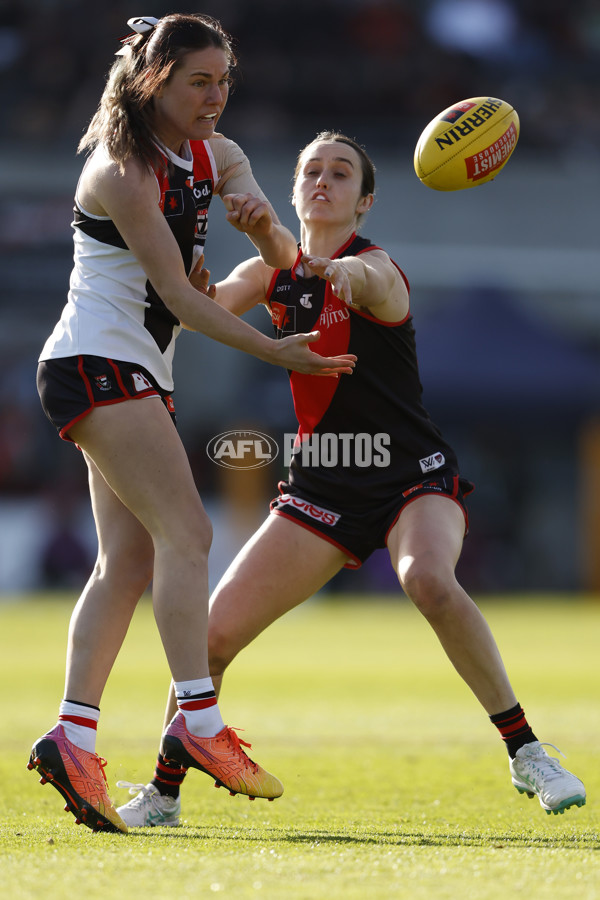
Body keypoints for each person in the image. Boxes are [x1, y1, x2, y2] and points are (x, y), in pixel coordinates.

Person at [116, 130, 587, 828]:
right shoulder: (270, 273)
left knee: (427, 579)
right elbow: (196, 303)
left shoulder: (377, 267)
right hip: (321, 490)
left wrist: (313, 261)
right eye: (311, 170)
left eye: (341, 174)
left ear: (363, 202)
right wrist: (184, 256)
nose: (323, 181)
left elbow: (359, 283)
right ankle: (163, 793)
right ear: (296, 187)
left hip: (410, 479)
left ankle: (526, 752)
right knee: (209, 639)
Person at [26, 18, 356, 835]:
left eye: (222, 81)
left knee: (129, 561)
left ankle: (72, 735)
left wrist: (259, 229)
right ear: (152, 83)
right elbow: (180, 299)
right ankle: (201, 723)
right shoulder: (120, 170)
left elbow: (285, 257)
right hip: (97, 363)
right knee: (188, 535)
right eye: (197, 83)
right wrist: (277, 351)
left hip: (130, 369)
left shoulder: (220, 155)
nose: (215, 97)